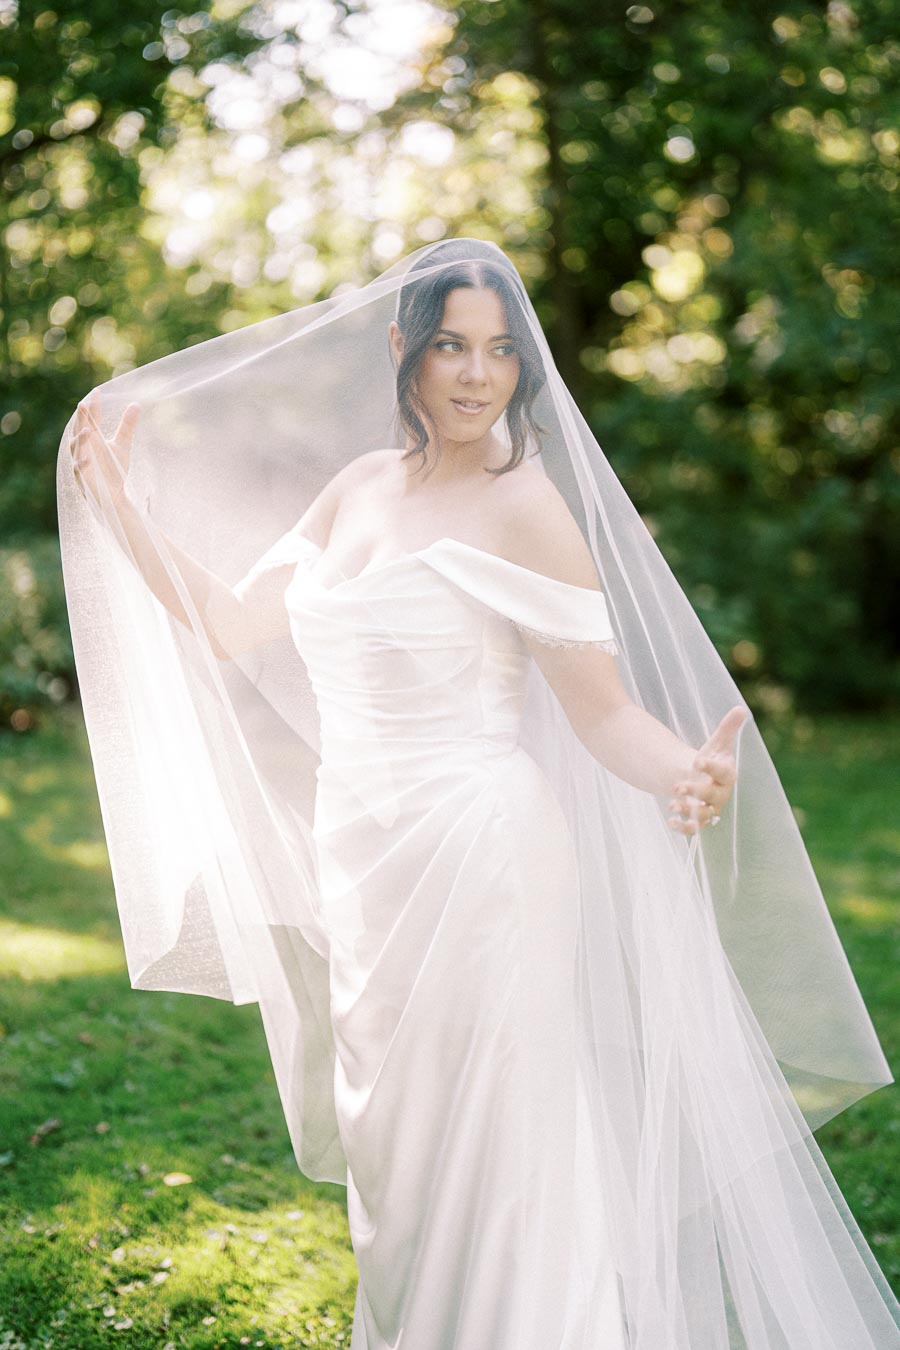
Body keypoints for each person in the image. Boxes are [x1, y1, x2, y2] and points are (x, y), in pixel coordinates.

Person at [58, 239, 899, 1347]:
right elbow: (227, 625)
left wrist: (682, 773)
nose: (476, 374)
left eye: (501, 351)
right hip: (366, 864)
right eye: (452, 345)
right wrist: (116, 501)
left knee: (503, 1143)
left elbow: (604, 711)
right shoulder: (357, 489)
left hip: (486, 859)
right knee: (400, 1158)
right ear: (402, 347)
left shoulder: (526, 509)